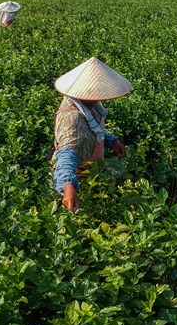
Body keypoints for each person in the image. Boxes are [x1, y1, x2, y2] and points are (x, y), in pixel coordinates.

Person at [50, 57, 132, 212]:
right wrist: (68, 187)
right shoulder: (71, 118)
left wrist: (110, 141)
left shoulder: (87, 105)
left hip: (91, 169)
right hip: (75, 174)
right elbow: (67, 153)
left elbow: (90, 131)